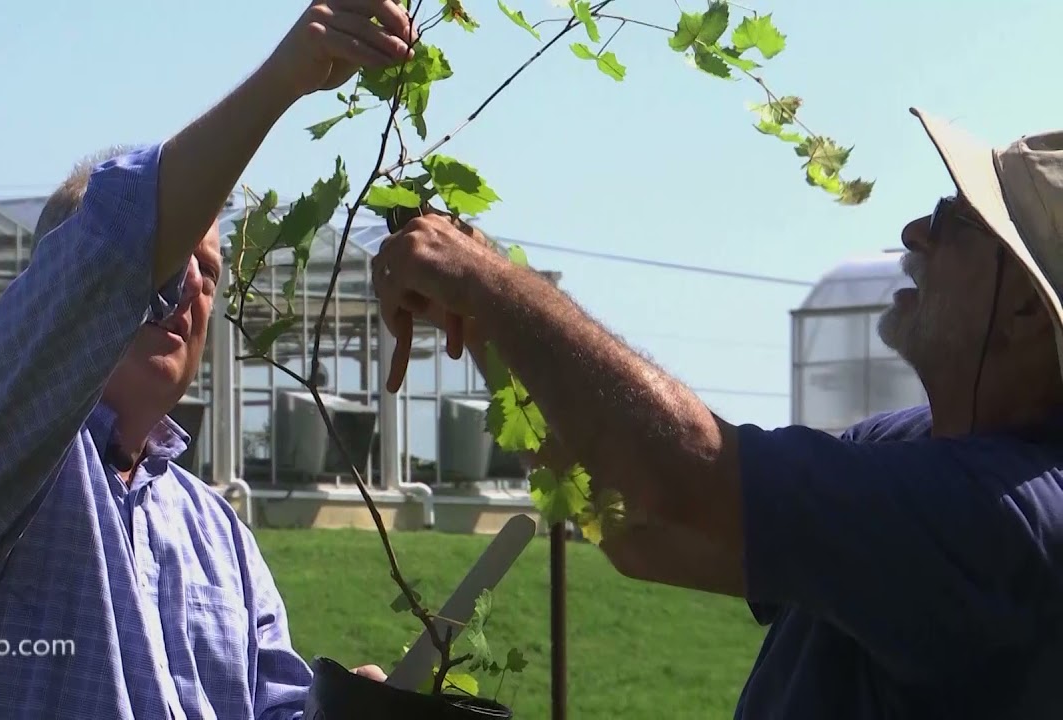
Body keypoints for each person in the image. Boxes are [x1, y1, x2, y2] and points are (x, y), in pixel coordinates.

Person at [371, 109, 1063, 718]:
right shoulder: (904, 446)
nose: (915, 233)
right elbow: (638, 531)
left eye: (952, 220)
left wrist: (489, 282)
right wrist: (488, 329)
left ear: (1028, 308)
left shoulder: (992, 519)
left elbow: (683, 469)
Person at [0, 2, 413, 717]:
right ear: (61, 292)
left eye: (207, 277)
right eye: (171, 264)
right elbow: (110, 248)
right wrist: (284, 79)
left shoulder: (218, 535)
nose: (185, 293)